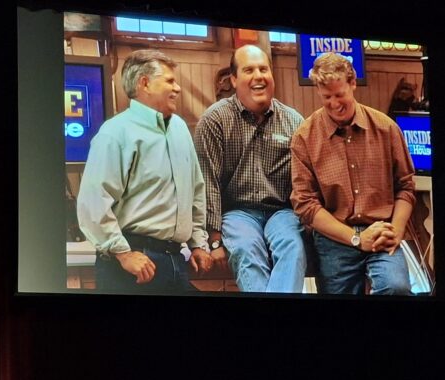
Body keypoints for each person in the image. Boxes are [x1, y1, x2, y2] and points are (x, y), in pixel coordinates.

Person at [77, 49, 212, 294]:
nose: (178, 88)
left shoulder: (180, 128)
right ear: (145, 83)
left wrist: (198, 244)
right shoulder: (115, 133)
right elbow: (93, 202)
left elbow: (195, 190)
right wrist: (123, 253)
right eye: (170, 81)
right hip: (131, 263)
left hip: (175, 259)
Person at [290, 52, 416, 295]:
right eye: (327, 97)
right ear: (317, 91)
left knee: (397, 288)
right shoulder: (305, 137)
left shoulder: (386, 128)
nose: (335, 103)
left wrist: (396, 231)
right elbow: (306, 205)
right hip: (334, 237)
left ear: (353, 84)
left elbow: (405, 186)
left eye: (340, 95)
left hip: (382, 230)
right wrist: (357, 239)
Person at [194, 45, 307, 293]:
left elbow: (304, 182)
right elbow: (207, 182)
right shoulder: (215, 120)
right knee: (246, 249)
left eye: (263, 69)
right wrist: (214, 240)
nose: (258, 76)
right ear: (234, 79)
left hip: (282, 211)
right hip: (237, 212)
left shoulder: (295, 122)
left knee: (293, 247)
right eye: (248, 70)